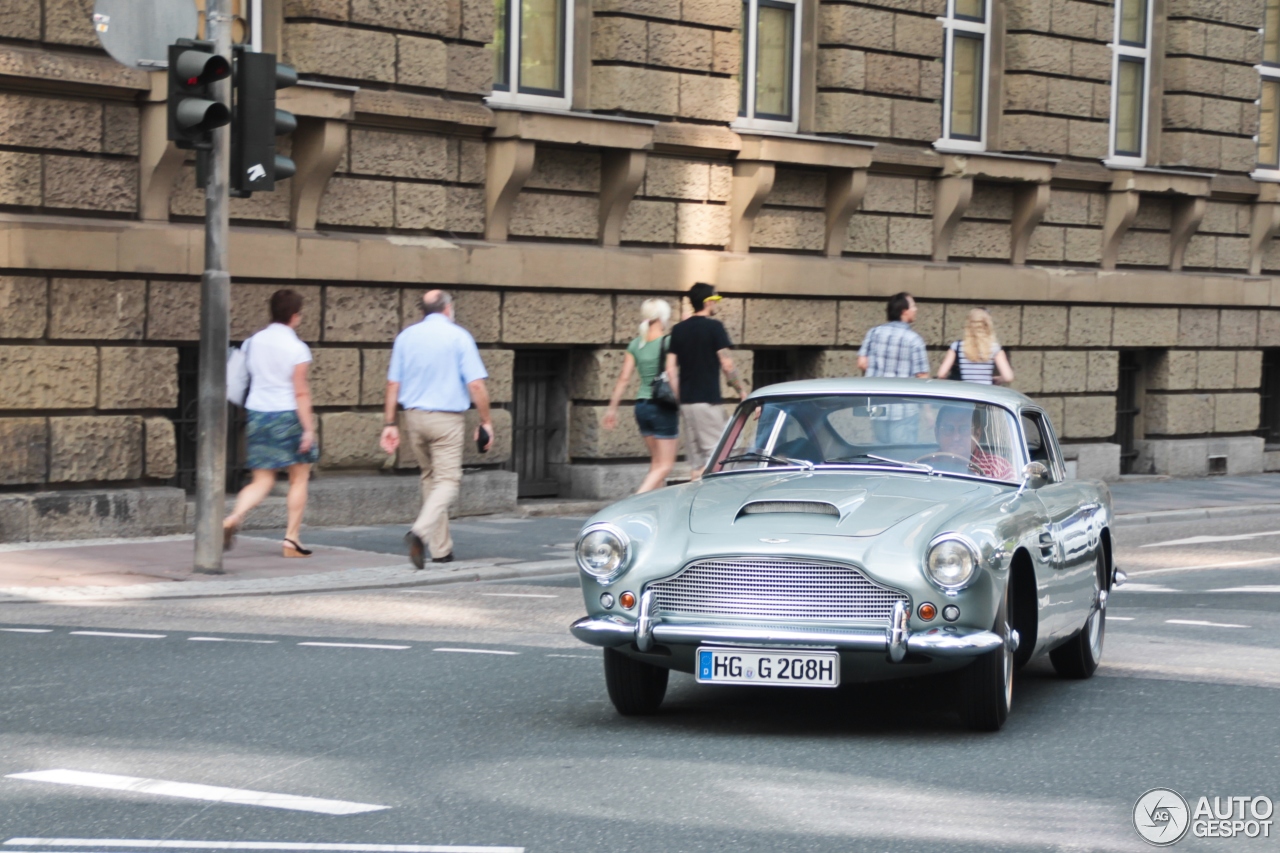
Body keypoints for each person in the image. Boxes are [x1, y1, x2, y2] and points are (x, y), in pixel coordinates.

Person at [380, 290, 493, 569]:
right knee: (449, 481)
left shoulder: (406, 337)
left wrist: (390, 424)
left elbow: (393, 384)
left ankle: (441, 550)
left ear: (424, 310)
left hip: (414, 418)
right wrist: (485, 420)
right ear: (448, 308)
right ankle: (419, 531)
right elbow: (476, 385)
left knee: (430, 478)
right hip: (447, 420)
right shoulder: (458, 336)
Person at [222, 289, 318, 558]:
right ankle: (291, 540)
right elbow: (300, 391)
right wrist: (308, 429)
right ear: (295, 316)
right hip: (288, 415)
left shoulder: (253, 342)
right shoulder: (298, 348)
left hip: (258, 413)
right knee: (299, 478)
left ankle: (233, 517)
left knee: (261, 480)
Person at [665, 283, 747, 480]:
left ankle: (695, 505)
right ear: (708, 302)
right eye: (714, 300)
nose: (716, 304)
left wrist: (680, 397)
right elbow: (727, 364)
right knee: (719, 453)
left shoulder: (678, 329)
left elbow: (670, 369)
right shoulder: (714, 327)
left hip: (687, 403)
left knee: (697, 462)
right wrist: (741, 391)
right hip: (707, 400)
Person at [603, 299, 679, 493]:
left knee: (656, 464)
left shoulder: (636, 344)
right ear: (663, 317)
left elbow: (623, 378)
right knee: (665, 466)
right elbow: (673, 372)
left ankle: (655, 509)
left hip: (641, 406)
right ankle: (635, 501)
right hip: (662, 406)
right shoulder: (669, 341)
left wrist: (612, 409)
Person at [857, 292, 930, 443]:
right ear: (904, 311)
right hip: (904, 409)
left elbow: (862, 363)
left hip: (877, 407)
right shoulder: (914, 340)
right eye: (913, 306)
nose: (916, 309)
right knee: (902, 455)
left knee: (880, 452)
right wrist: (928, 412)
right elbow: (922, 377)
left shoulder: (873, 333)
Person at [931, 405, 1016, 480]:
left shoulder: (999, 468)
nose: (956, 437)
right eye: (948, 429)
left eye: (964, 430)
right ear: (936, 433)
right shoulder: (922, 466)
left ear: (977, 434)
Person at [936, 307, 1015, 385]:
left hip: (964, 392)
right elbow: (1008, 377)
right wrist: (998, 379)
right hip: (985, 393)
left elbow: (941, 374)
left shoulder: (957, 346)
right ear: (987, 325)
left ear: (968, 325)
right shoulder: (995, 348)